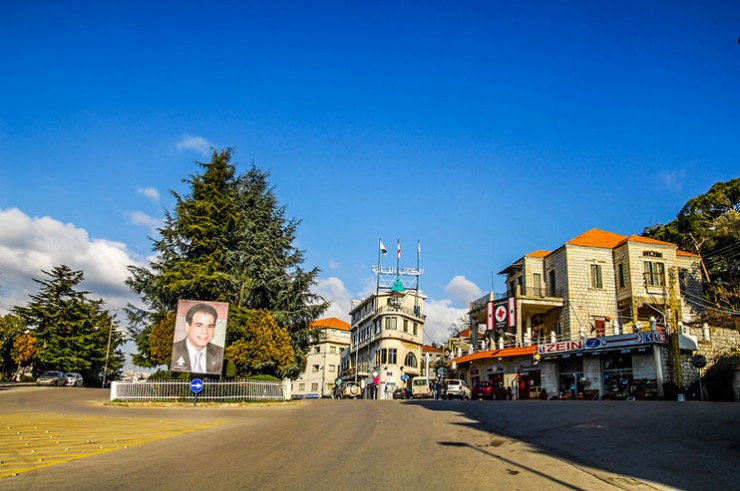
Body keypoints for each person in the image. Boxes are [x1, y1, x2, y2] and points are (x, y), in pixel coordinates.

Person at [171, 303, 224, 375]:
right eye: (199, 326)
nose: (205, 331)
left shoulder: (219, 353)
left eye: (210, 326)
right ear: (187, 327)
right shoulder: (174, 350)